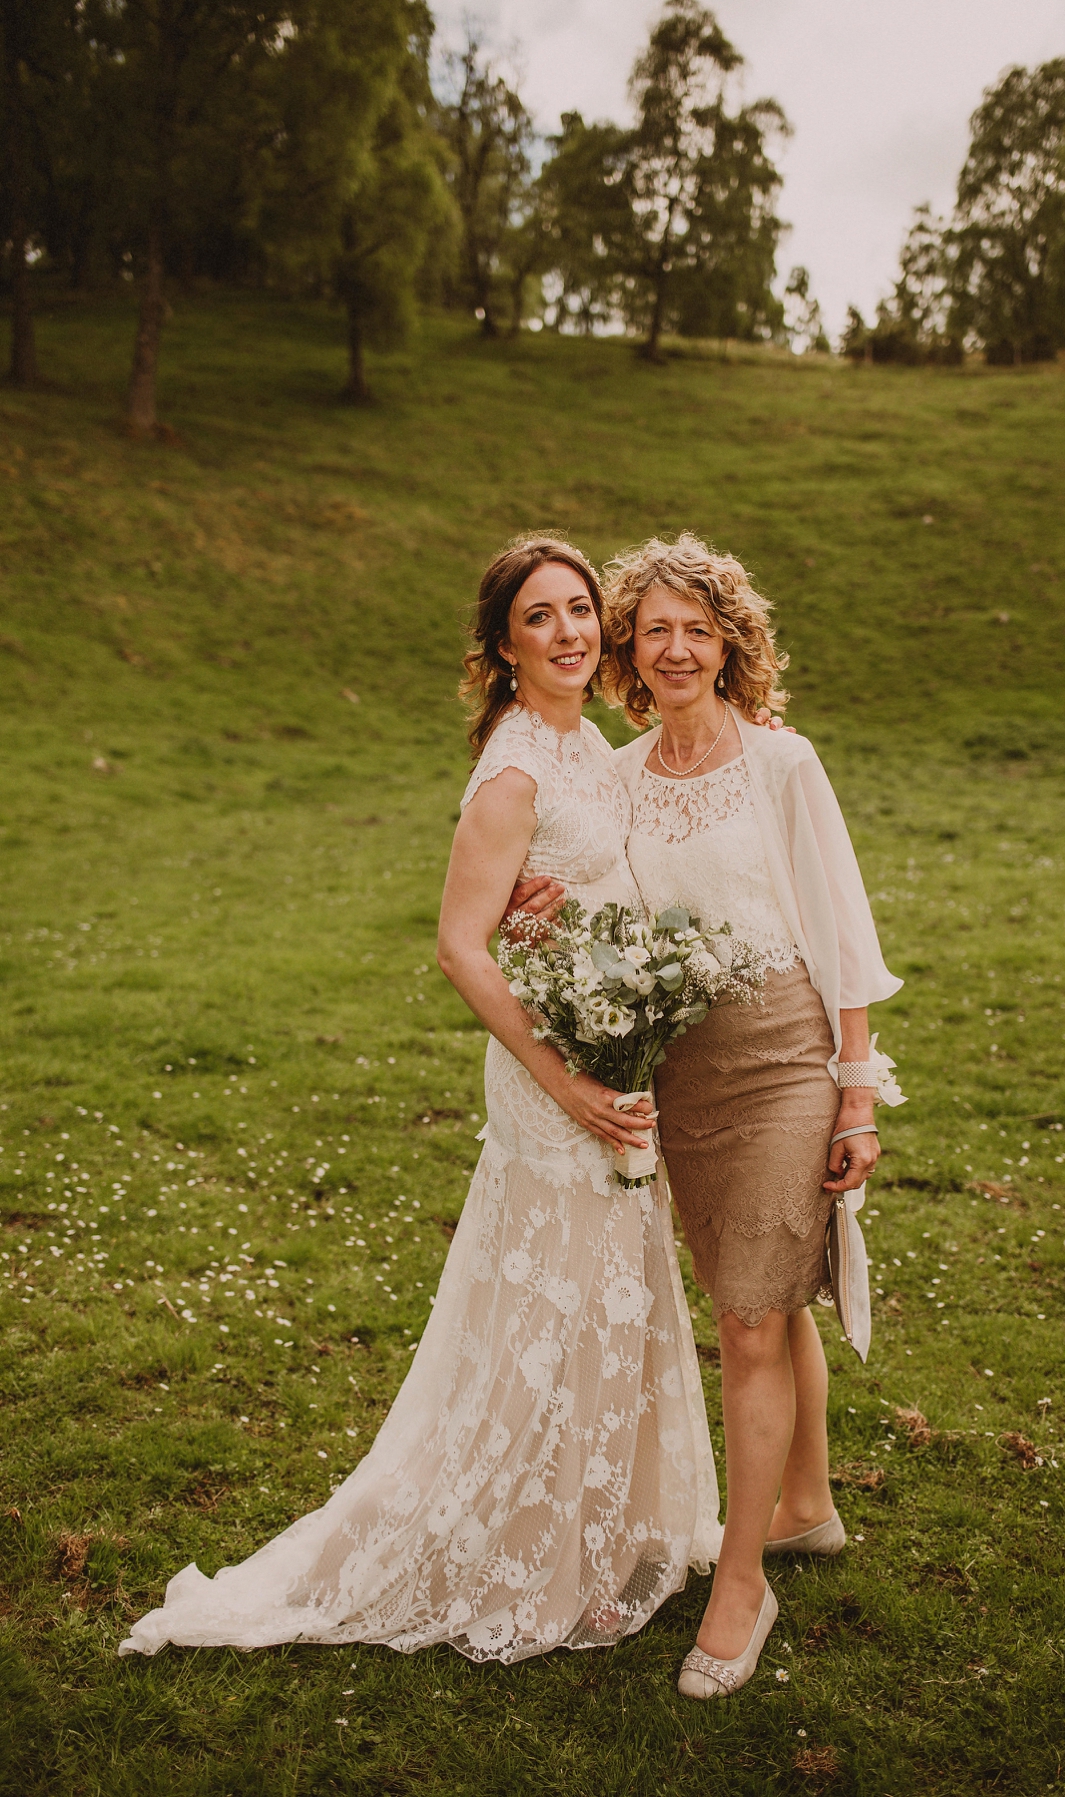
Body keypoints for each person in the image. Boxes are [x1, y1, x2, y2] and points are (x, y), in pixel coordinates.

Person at [119, 536, 721, 1664]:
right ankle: (535, 1551)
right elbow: (458, 946)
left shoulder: (586, 739)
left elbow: (601, 885)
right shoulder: (515, 768)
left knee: (608, 1300)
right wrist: (570, 1080)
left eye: (582, 610)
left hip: (607, 1050)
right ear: (504, 645)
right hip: (556, 1076)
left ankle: (603, 1532)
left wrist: (598, 952)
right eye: (539, 617)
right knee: (552, 1309)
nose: (571, 632)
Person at [603, 532, 903, 1699]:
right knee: (763, 1298)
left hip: (784, 1057)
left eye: (698, 627)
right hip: (678, 1074)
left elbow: (843, 927)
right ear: (632, 645)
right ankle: (809, 1507)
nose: (676, 648)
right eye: (656, 628)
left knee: (743, 1321)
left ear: (730, 642)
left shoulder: (782, 762)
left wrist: (856, 1093)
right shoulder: (619, 777)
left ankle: (742, 1583)